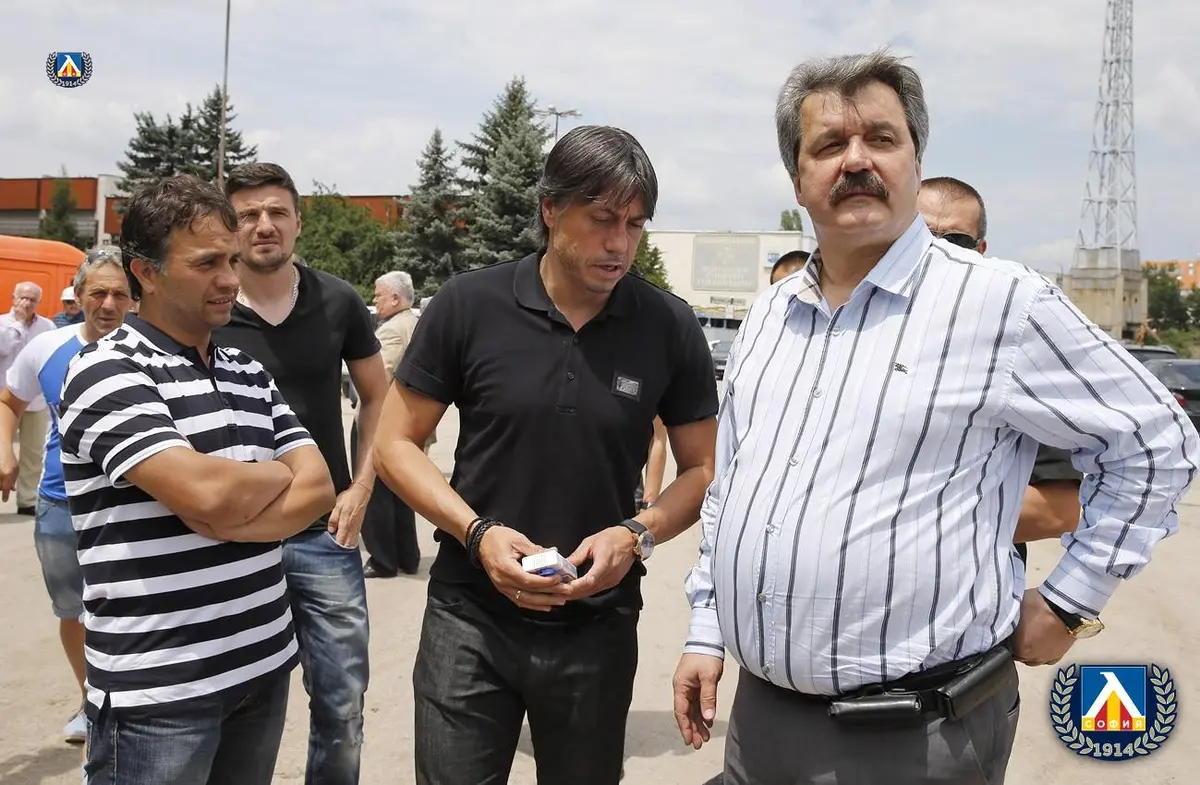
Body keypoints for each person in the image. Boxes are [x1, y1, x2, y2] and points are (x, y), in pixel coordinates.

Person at [672, 51, 1200, 785]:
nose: (856, 160)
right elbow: (734, 488)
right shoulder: (771, 315)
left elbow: (1157, 441)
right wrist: (706, 629)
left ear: (915, 161)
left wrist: (1071, 600)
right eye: (829, 144)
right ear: (797, 178)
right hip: (760, 724)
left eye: (881, 138)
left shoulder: (1000, 305)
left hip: (913, 738)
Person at [374, 124, 719, 785]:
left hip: (597, 625)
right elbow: (394, 442)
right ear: (551, 209)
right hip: (469, 617)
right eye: (603, 219)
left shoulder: (668, 325)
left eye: (635, 224)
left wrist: (635, 535)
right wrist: (476, 533)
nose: (619, 243)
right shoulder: (469, 304)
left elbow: (702, 469)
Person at [58, 174, 335, 785]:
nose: (231, 279)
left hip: (261, 666)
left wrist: (226, 512)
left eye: (231, 260)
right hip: (160, 692)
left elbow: (318, 488)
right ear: (146, 272)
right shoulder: (106, 371)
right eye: (208, 263)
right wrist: (269, 477)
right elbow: (206, 493)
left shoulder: (247, 370)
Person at [219, 161, 389, 785]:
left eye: (277, 212)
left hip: (324, 535)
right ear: (229, 227)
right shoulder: (208, 307)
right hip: (230, 537)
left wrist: (362, 487)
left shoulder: (338, 301)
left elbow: (379, 397)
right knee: (234, 705)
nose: (263, 225)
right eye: (247, 215)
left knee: (342, 706)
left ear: (297, 222)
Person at [0, 248, 132, 750]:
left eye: (119, 294)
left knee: (129, 606)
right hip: (61, 502)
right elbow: (9, 402)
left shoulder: (153, 348)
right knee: (72, 609)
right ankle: (90, 700)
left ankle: (131, 705)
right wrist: (6, 453)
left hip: (132, 503)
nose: (108, 304)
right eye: (98, 293)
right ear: (77, 296)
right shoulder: (48, 347)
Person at [918, 175, 1083, 558]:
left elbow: (1058, 508)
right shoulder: (855, 328)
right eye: (923, 237)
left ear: (981, 250)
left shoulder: (1014, 346)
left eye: (956, 241)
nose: (938, 252)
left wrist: (909, 531)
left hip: (966, 588)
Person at [361, 270, 422, 578]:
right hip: (412, 422)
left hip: (383, 423)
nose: (375, 300)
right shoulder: (414, 323)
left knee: (376, 492)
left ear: (396, 298)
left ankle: (383, 559)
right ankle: (407, 556)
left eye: (379, 295)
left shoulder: (392, 331)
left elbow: (377, 381)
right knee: (401, 492)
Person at [0, 282, 54, 515]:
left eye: (32, 299)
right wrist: (19, 324)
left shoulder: (47, 326)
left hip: (36, 400)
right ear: (13, 298)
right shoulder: (3, 323)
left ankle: (27, 500)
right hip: (5, 399)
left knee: (33, 452)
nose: (27, 303)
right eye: (23, 298)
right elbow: (3, 348)